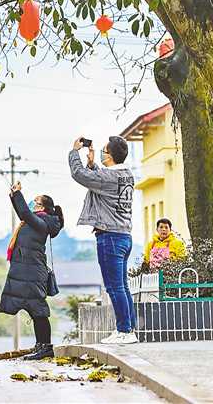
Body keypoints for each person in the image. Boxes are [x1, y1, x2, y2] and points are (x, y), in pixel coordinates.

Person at [69, 136, 137, 345]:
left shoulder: (107, 177)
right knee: (122, 286)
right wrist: (92, 163)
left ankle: (124, 331)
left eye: (104, 151)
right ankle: (129, 329)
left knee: (114, 287)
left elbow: (79, 175)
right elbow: (100, 177)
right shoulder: (127, 175)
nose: (102, 153)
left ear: (110, 156)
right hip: (124, 236)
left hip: (110, 236)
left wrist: (74, 153)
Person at [0, 182, 64, 361]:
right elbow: (23, 213)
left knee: (38, 309)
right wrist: (14, 195)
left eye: (35, 202)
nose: (32, 204)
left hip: (33, 273)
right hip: (28, 271)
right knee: (33, 309)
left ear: (43, 207)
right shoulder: (35, 220)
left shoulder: (42, 222)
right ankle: (40, 345)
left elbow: (25, 212)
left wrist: (19, 194)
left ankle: (46, 347)